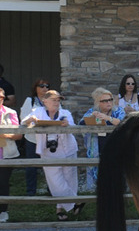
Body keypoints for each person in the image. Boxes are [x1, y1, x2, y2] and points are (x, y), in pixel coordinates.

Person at [23, 90, 80, 220]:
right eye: (54, 100)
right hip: (48, 152)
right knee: (55, 182)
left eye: (58, 100)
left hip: (68, 149)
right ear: (45, 101)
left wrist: (67, 124)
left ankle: (60, 208)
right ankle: (76, 203)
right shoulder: (38, 111)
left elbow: (73, 127)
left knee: (70, 179)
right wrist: (31, 120)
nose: (56, 102)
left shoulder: (65, 113)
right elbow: (24, 122)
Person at [79, 87, 125, 193]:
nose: (108, 102)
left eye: (110, 99)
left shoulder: (118, 110)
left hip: (114, 146)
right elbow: (81, 122)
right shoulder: (93, 111)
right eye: (105, 101)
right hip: (98, 146)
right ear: (98, 102)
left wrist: (108, 118)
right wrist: (92, 116)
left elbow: (123, 122)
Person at [19, 78, 50, 196]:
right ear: (35, 88)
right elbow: (23, 117)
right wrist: (31, 120)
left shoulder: (53, 100)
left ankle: (50, 189)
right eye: (41, 86)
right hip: (32, 138)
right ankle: (31, 191)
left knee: (49, 165)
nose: (44, 88)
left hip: (48, 138)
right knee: (31, 165)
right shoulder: (30, 100)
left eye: (47, 86)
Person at [0, 86, 23, 223]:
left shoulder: (11, 112)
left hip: (7, 153)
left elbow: (19, 135)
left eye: (2, 97)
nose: (0, 100)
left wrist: (4, 134)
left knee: (3, 183)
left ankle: (3, 211)